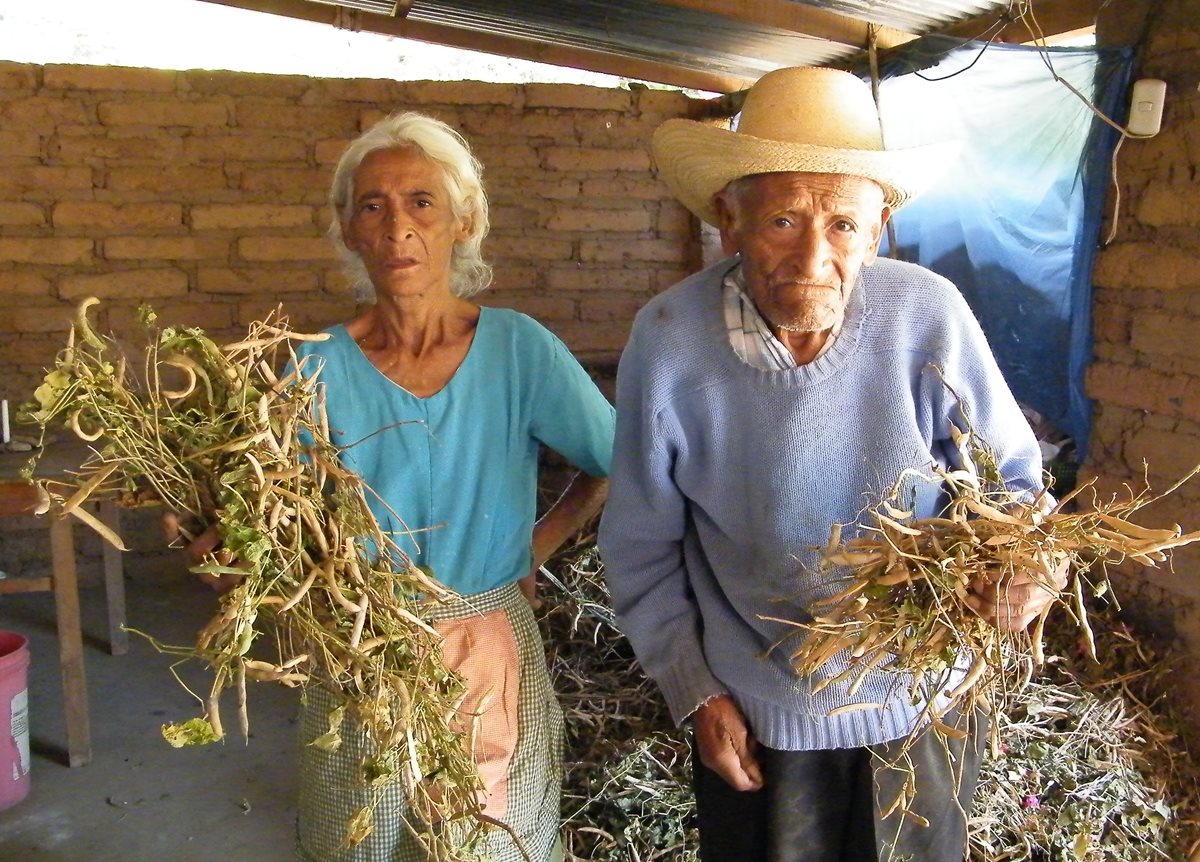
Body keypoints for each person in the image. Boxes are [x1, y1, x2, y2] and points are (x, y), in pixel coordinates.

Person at [596, 66, 1061, 862]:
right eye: (782, 219)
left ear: (878, 230)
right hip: (761, 714)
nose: (814, 255)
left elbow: (1015, 486)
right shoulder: (671, 339)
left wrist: (1028, 566)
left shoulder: (926, 315)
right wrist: (694, 690)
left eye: (843, 225)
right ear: (727, 219)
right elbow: (641, 543)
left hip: (923, 704)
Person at [181, 111, 614, 862]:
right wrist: (235, 546)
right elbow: (279, 513)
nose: (396, 227)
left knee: (483, 840)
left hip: (483, 642)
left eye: (421, 202)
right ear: (348, 230)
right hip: (362, 646)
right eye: (372, 206)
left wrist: (533, 546)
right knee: (363, 839)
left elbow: (614, 458)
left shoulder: (520, 350)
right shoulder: (315, 367)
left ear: (464, 220)